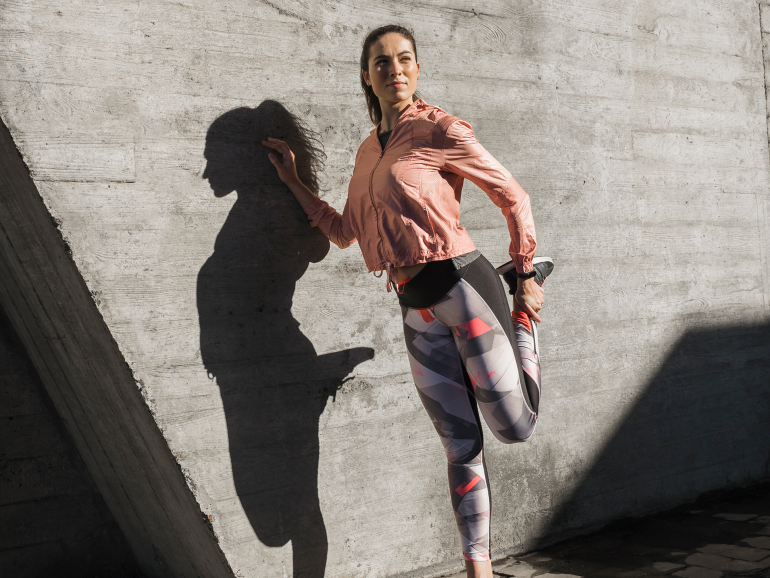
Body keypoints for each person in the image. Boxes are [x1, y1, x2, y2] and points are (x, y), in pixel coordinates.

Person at [262, 24, 553, 578]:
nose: (394, 69)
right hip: (414, 307)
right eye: (381, 62)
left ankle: (521, 317)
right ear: (367, 77)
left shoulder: (438, 129)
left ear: (416, 70)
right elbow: (346, 231)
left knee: (516, 428)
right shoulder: (369, 150)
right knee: (459, 447)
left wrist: (524, 272)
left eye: (404, 60)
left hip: (464, 287)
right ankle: (479, 570)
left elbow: (512, 195)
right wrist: (295, 182)